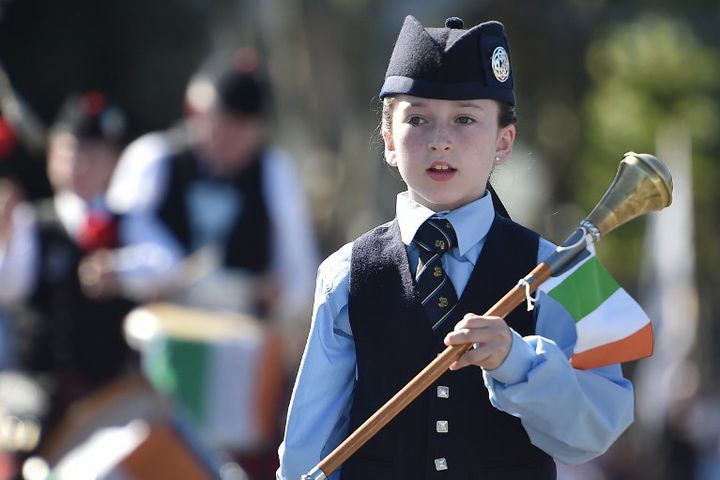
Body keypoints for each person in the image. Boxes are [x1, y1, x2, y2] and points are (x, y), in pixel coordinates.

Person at [277, 16, 636, 480]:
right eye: (418, 118)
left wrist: (517, 360)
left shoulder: (564, 269)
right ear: (388, 140)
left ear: (503, 142)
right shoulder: (343, 273)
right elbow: (309, 445)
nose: (440, 140)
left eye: (465, 118)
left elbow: (598, 429)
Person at [0, 91, 136, 436]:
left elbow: (167, 266)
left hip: (109, 392)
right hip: (36, 391)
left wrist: (120, 272)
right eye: (70, 152)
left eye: (93, 154)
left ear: (114, 161)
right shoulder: (30, 223)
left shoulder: (131, 222)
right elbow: (9, 288)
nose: (79, 164)